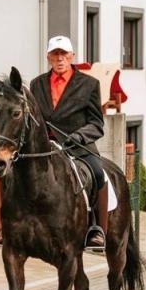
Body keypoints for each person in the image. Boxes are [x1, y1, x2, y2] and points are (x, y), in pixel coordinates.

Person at [28, 35, 108, 250]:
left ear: (72, 56)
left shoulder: (89, 84)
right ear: (48, 57)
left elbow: (97, 123)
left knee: (99, 173)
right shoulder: (36, 84)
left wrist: (79, 136)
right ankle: (16, 225)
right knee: (16, 170)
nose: (60, 58)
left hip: (77, 145)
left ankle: (96, 228)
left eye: (64, 54)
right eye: (55, 54)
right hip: (44, 147)